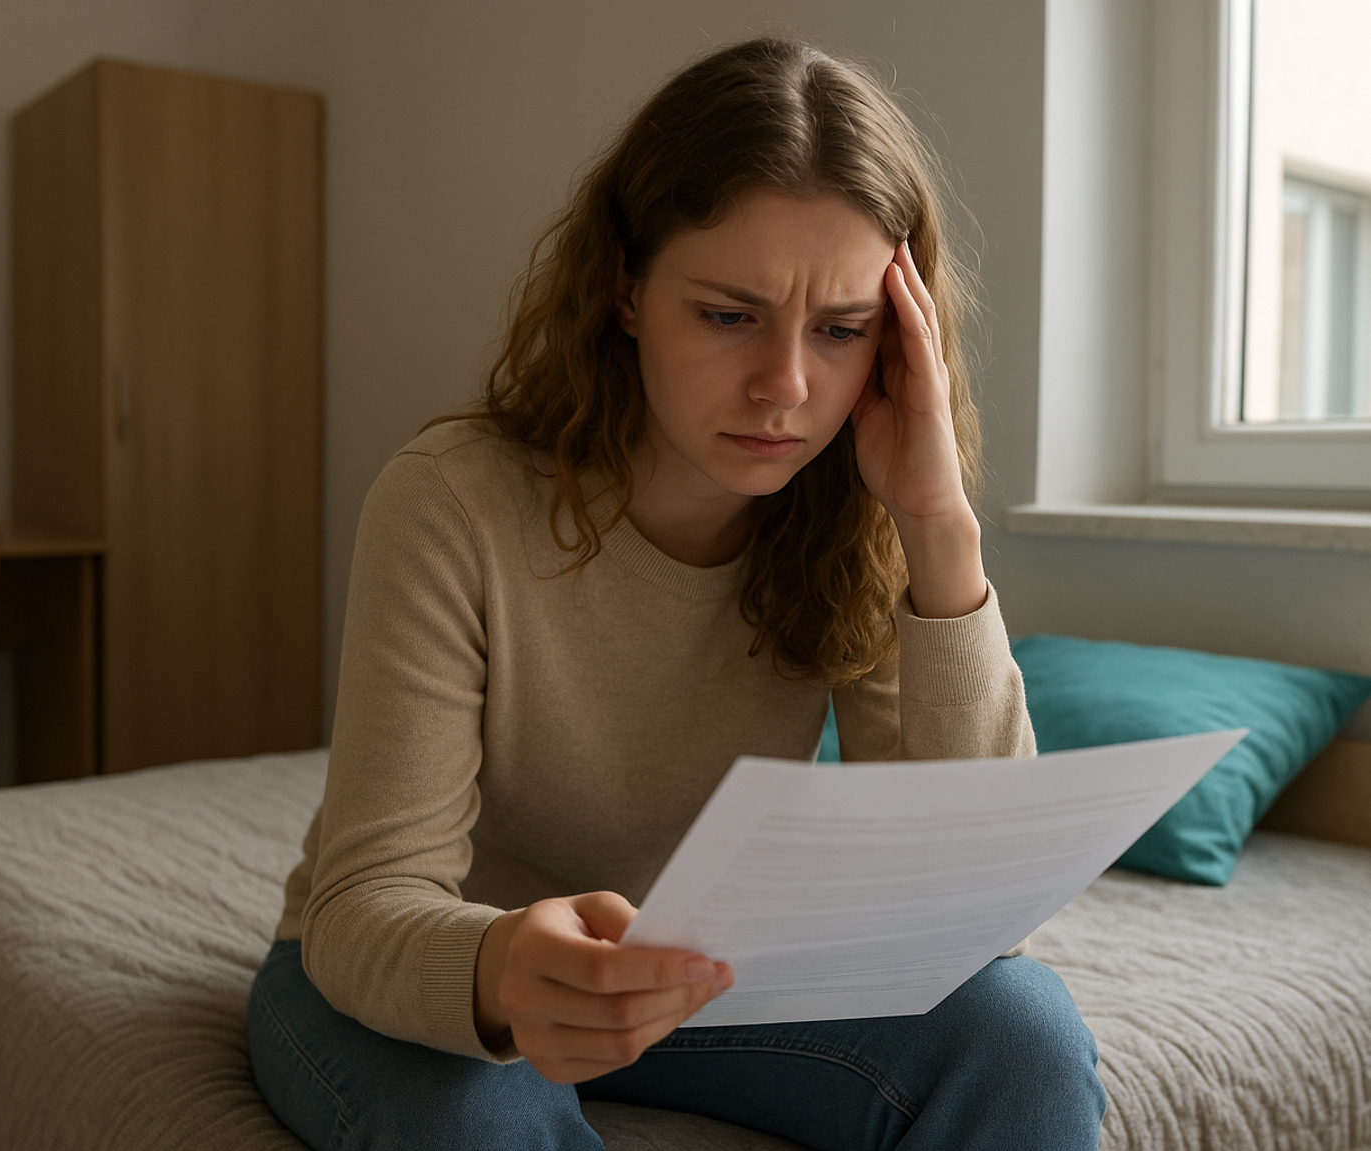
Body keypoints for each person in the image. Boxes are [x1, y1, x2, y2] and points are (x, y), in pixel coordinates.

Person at [248, 36, 1105, 1151]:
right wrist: (503, 966)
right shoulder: (451, 503)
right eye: (728, 314)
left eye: (842, 331)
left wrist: (938, 526)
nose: (787, 387)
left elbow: (974, 904)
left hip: (694, 972)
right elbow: (365, 903)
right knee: (486, 1111)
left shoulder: (857, 516)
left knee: (1021, 1032)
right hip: (421, 966)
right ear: (626, 287)